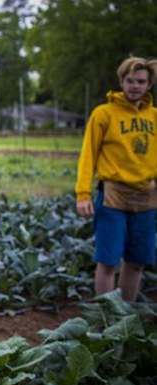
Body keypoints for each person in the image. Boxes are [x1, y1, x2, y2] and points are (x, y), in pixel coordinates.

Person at [75, 56, 157, 302]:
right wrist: (82, 194)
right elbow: (87, 155)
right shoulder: (104, 114)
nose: (135, 86)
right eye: (130, 80)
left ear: (149, 85)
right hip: (113, 197)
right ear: (121, 81)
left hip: (146, 199)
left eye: (140, 81)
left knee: (136, 263)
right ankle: (106, 318)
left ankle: (126, 318)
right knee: (108, 262)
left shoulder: (154, 116)